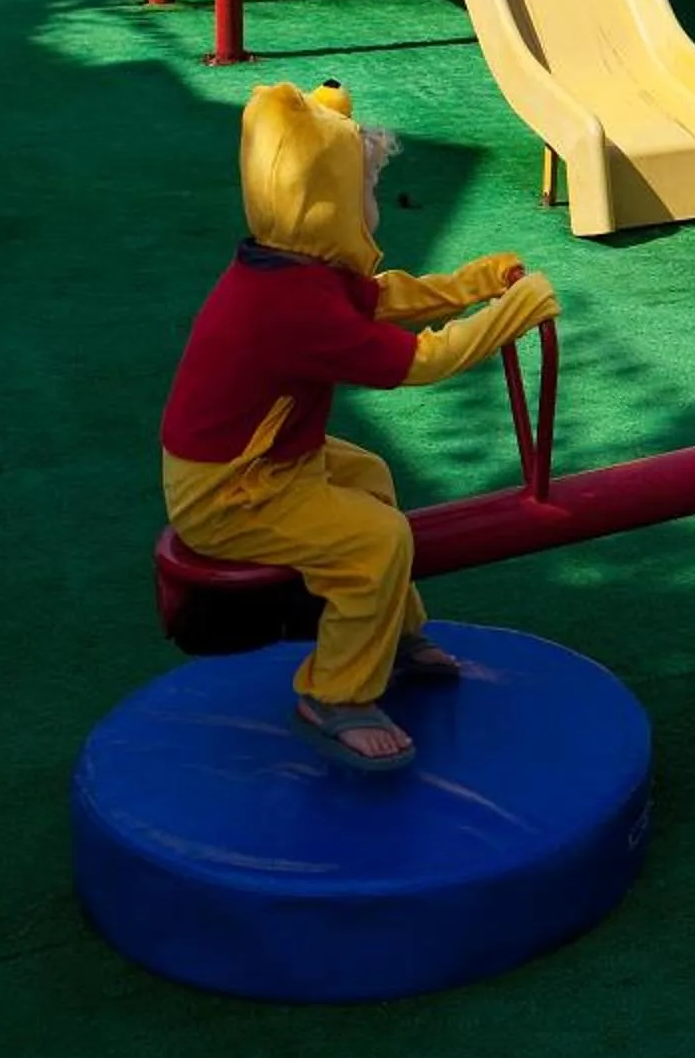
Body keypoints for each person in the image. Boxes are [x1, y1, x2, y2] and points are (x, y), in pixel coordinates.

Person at [160, 79, 560, 771]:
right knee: (377, 541)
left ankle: (393, 633)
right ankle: (335, 694)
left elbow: (380, 298)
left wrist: (471, 284)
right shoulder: (292, 306)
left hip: (263, 460)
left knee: (370, 476)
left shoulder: (291, 268)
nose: (374, 205)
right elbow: (422, 362)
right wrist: (509, 314)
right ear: (329, 207)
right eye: (368, 190)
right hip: (230, 491)